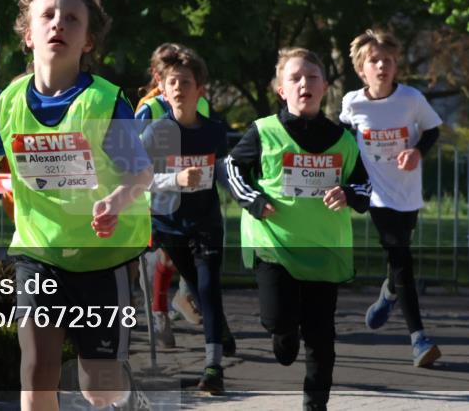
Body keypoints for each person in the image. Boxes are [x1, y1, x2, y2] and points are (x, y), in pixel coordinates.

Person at [0, 0, 153, 411]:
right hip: (38, 251)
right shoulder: (8, 100)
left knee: (98, 388)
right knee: (37, 372)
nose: (58, 24)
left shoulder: (105, 101)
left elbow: (140, 173)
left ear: (88, 42)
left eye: (72, 18)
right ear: (29, 35)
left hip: (102, 257)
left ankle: (128, 399)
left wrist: (116, 201)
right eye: (47, 15)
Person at [221, 48, 370, 411]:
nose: (304, 84)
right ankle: (283, 333)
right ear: (281, 90)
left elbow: (365, 187)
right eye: (295, 78)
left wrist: (348, 193)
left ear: (325, 88)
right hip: (274, 245)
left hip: (323, 249)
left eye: (313, 77)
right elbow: (229, 169)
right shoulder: (263, 131)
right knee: (280, 323)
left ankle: (315, 404)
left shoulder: (344, 139)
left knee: (321, 336)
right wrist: (254, 200)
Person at [340, 29, 443, 367]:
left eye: (388, 60)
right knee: (402, 259)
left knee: (400, 257)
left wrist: (416, 151)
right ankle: (419, 339)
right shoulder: (352, 102)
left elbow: (433, 130)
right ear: (361, 69)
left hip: (408, 191)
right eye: (374, 60)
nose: (381, 65)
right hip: (377, 194)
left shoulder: (411, 99)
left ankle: (388, 294)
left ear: (396, 65)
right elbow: (342, 135)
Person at [141, 45, 230, 395]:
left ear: (200, 90)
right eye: (172, 82)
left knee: (208, 288)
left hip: (206, 223)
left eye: (186, 82)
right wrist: (174, 180)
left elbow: (226, 173)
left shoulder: (214, 132)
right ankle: (213, 335)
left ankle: (213, 367)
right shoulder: (154, 133)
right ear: (163, 89)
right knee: (193, 286)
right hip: (168, 225)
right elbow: (140, 179)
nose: (178, 88)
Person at [135, 44, 206, 330]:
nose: (179, 83)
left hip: (193, 192)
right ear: (157, 74)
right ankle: (159, 309)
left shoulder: (199, 101)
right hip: (159, 191)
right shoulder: (149, 108)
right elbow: (135, 152)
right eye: (169, 74)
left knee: (196, 251)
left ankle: (179, 299)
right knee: (166, 254)